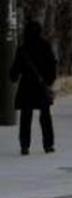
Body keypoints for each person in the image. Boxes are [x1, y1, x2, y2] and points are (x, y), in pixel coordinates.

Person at [9, 21, 57, 155]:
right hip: (41, 87)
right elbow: (52, 66)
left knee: (26, 116)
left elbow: (14, 72)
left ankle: (25, 145)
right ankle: (48, 144)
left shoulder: (23, 49)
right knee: (45, 116)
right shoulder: (45, 46)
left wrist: (13, 76)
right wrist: (48, 81)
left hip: (27, 87)